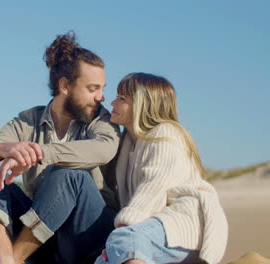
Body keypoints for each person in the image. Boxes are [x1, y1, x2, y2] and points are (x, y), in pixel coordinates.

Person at [0, 32, 120, 264]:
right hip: (42, 239)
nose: (101, 97)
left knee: (69, 175)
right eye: (92, 88)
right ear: (65, 85)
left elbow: (104, 149)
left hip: (88, 238)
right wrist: (5, 149)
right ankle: (5, 259)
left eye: (102, 88)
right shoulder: (29, 120)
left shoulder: (101, 120)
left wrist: (40, 153)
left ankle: (12, 261)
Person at [95, 73, 228, 264]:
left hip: (183, 225)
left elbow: (154, 186)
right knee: (102, 261)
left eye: (122, 98)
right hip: (153, 230)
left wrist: (121, 232)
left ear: (143, 104)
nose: (113, 102)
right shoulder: (128, 144)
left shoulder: (165, 133)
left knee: (123, 241)